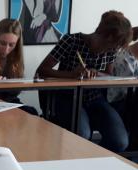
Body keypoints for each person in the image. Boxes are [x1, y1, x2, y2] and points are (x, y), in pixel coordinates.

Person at [36, 10, 132, 152]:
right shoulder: (71, 41)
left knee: (120, 141)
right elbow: (42, 70)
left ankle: (93, 161)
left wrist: (96, 73)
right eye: (110, 46)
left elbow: (108, 74)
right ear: (105, 35)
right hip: (68, 98)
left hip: (95, 99)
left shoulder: (111, 50)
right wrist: (72, 75)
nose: (111, 50)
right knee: (82, 135)